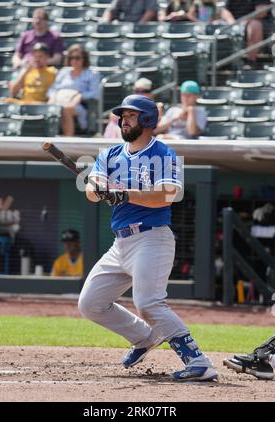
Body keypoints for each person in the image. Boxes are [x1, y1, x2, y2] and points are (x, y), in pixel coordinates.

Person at [78, 94, 218, 382]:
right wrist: (100, 186)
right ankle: (144, 337)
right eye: (123, 115)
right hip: (121, 243)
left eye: (131, 115)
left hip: (151, 238)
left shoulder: (164, 153)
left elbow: (167, 196)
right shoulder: (110, 155)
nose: (123, 120)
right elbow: (92, 193)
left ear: (148, 120)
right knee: (90, 303)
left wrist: (126, 193)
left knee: (148, 302)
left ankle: (198, 361)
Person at [47, 44, 100, 136]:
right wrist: (52, 97)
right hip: (58, 101)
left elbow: (95, 94)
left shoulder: (92, 74)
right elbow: (53, 88)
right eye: (71, 58)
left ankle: (68, 139)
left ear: (84, 59)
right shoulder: (64, 72)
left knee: (65, 108)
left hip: (81, 106)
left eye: (77, 58)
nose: (74, 60)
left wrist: (79, 96)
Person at [225, 0, 272, 64]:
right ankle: (225, 61)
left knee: (255, 25)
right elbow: (225, 10)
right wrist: (231, 21)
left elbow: (261, 13)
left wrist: (242, 22)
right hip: (236, 23)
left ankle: (251, 60)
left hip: (260, 24)